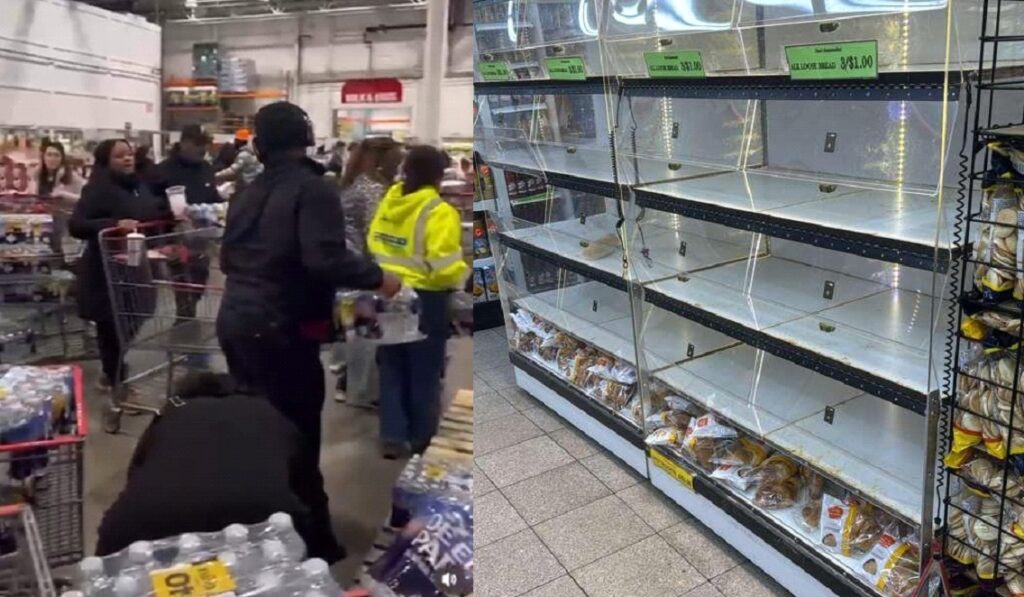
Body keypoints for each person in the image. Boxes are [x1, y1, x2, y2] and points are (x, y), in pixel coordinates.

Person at [216, 101, 401, 563]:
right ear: (308, 140)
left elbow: (226, 260)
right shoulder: (314, 189)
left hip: (236, 322)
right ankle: (312, 541)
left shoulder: (246, 192)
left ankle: (259, 528)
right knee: (297, 436)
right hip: (282, 329)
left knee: (257, 428)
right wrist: (378, 277)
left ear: (257, 147)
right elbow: (324, 258)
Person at [95, 372, 311, 556]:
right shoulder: (269, 412)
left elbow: (136, 468)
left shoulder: (173, 411)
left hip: (143, 517)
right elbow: (304, 482)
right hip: (265, 513)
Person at [367, 145, 469, 459]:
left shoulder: (390, 201)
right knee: (425, 371)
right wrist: (462, 279)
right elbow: (443, 265)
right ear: (438, 175)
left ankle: (392, 436)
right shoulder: (439, 212)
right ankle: (420, 437)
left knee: (391, 366)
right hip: (426, 299)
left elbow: (372, 242)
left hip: (387, 294)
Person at [69, 139, 172, 392]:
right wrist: (114, 224)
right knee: (111, 326)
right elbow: (77, 225)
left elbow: (150, 215)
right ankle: (115, 379)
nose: (127, 159)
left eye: (129, 154)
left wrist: (172, 217)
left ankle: (114, 370)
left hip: (136, 267)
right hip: (105, 272)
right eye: (119, 156)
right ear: (106, 162)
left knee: (135, 316)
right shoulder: (97, 189)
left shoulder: (138, 186)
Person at [332, 137, 404, 406]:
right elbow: (377, 234)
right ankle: (361, 390)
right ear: (382, 160)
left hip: (350, 270)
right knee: (367, 335)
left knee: (358, 334)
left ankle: (351, 385)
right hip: (364, 271)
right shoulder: (371, 189)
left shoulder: (357, 183)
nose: (398, 168)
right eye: (395, 162)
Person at [150, 125, 222, 323]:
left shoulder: (206, 168)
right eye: (197, 144)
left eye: (205, 145)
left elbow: (213, 196)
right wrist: (168, 210)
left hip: (202, 235)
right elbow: (151, 201)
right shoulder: (163, 170)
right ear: (183, 143)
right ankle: (184, 314)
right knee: (181, 277)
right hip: (174, 234)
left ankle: (191, 307)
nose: (202, 149)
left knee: (200, 277)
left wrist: (221, 206)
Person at [215, 128, 262, 198]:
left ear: (240, 141)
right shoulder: (251, 153)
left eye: (236, 140)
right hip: (251, 184)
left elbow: (233, 171)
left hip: (246, 186)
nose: (234, 142)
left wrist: (216, 175)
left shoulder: (244, 155)